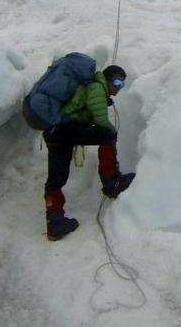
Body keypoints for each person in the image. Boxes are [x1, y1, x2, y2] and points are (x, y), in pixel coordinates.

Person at [43, 64, 135, 241]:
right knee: (108, 135)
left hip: (55, 132)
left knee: (56, 178)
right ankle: (111, 181)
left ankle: (54, 222)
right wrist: (112, 131)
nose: (118, 88)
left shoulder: (92, 88)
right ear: (107, 79)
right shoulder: (96, 88)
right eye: (117, 83)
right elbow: (101, 120)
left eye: (122, 85)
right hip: (65, 131)